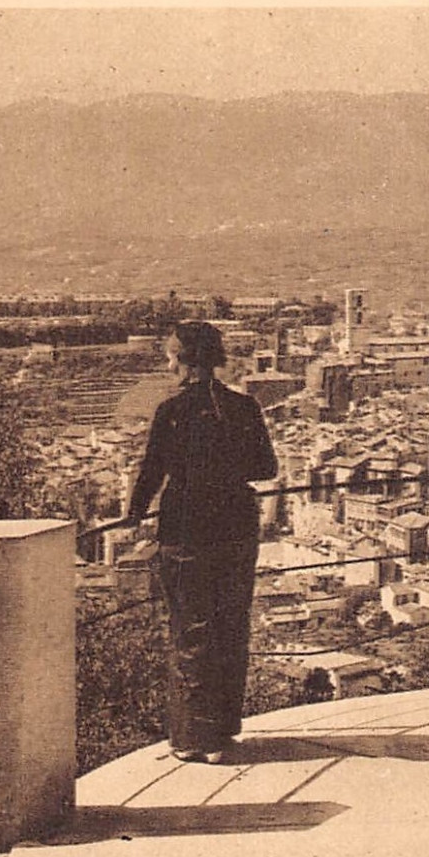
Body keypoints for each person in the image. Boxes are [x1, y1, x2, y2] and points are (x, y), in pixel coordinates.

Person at [124, 322, 278, 763]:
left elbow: (151, 472)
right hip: (236, 529)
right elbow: (266, 467)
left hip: (187, 530)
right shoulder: (244, 407)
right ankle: (224, 730)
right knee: (231, 627)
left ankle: (195, 738)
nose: (168, 363)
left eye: (171, 355)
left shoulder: (171, 410)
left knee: (192, 632)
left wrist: (135, 515)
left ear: (186, 359)